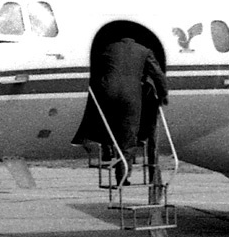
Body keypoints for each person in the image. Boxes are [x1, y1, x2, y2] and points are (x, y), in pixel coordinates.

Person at [72, 36, 168, 183]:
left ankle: (106, 148)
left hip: (107, 92)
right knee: (128, 135)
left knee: (108, 124)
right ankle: (122, 176)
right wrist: (163, 94)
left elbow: (95, 69)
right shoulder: (144, 51)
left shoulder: (109, 48)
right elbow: (158, 74)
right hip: (131, 95)